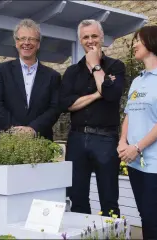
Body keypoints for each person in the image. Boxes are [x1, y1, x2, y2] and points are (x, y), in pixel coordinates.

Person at [118, 25, 157, 240]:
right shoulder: (138, 80)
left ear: (152, 43)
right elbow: (129, 114)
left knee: (154, 215)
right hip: (135, 160)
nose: (134, 45)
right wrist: (122, 142)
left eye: (138, 40)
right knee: (146, 215)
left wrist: (137, 147)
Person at [59, 19, 125, 217]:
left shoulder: (116, 66)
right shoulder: (72, 72)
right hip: (77, 139)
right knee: (77, 196)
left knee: (109, 198)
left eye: (94, 36)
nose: (90, 41)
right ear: (80, 40)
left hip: (105, 138)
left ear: (102, 38)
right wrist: (99, 93)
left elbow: (112, 95)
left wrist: (96, 66)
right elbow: (66, 104)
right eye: (85, 37)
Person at [0, 19, 61, 140]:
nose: (26, 43)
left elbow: (55, 108)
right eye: (22, 38)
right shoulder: (2, 70)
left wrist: (33, 129)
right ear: (16, 43)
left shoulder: (53, 76)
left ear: (38, 44)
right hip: (6, 138)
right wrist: (16, 130)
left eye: (32, 39)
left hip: (40, 139)